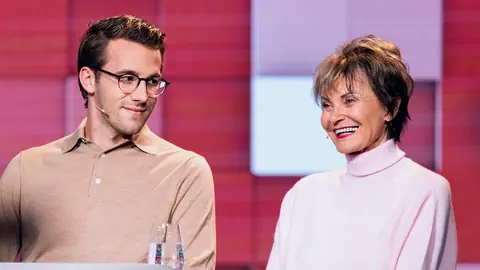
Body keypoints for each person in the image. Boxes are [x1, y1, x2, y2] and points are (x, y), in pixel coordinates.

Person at [0, 15, 216, 268]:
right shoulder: (27, 168)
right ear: (89, 80)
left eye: (152, 82)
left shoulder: (185, 171)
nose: (141, 96)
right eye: (127, 79)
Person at [266, 35, 457, 269]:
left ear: (390, 107)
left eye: (349, 100)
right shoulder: (303, 194)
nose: (334, 117)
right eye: (327, 105)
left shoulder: (425, 189)